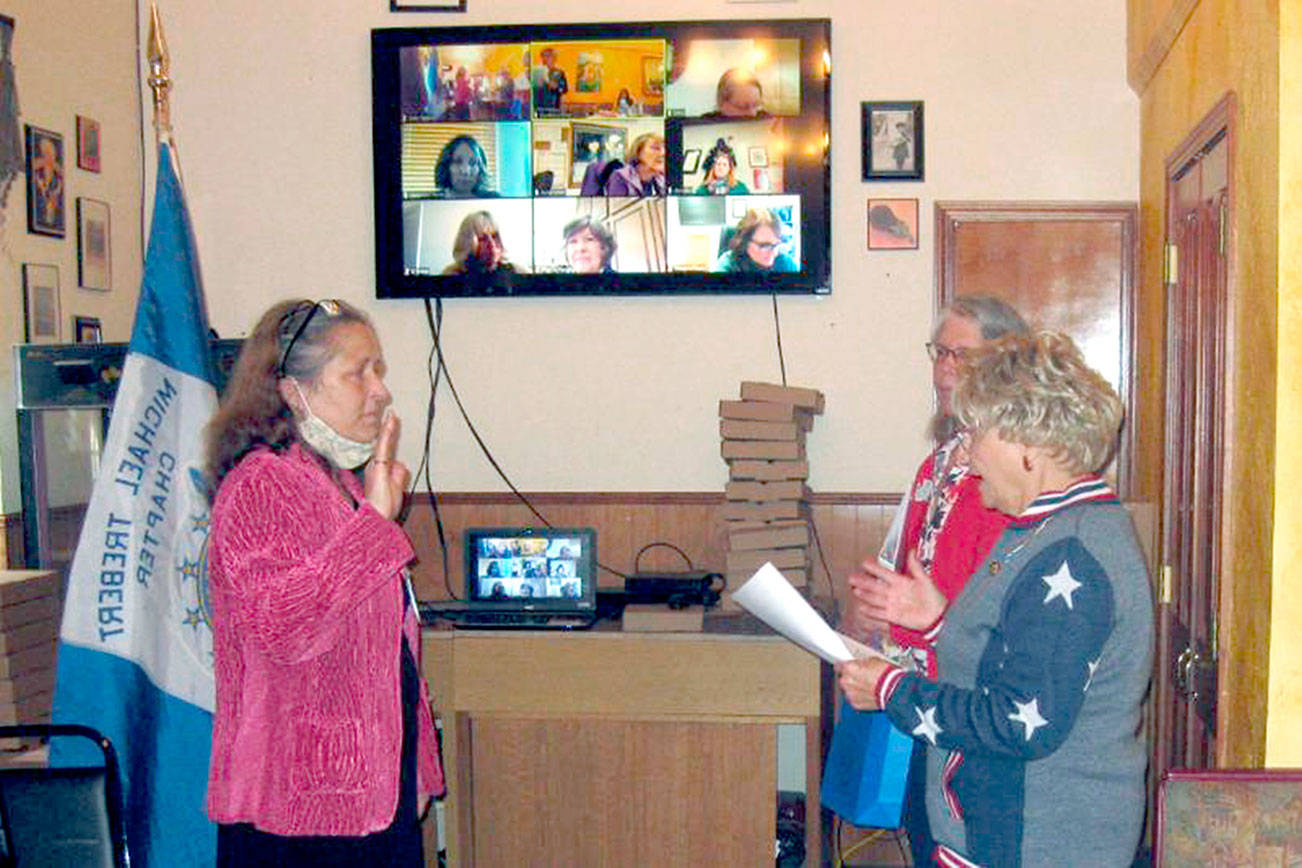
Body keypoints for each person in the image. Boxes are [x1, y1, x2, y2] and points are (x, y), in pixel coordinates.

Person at [837, 331, 1152, 868]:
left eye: (976, 432)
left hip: (1037, 846)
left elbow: (1021, 720)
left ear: (1027, 444)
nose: (969, 454)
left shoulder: (1071, 552)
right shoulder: (1043, 531)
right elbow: (1019, 659)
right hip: (1004, 838)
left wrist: (891, 689)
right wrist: (938, 623)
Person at [204, 299, 443, 866]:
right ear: (293, 391)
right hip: (300, 812)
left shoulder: (337, 482)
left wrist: (416, 767)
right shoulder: (261, 484)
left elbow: (384, 654)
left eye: (377, 370)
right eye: (357, 372)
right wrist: (377, 525)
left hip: (369, 796)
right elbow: (284, 629)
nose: (379, 391)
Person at [846, 295, 1028, 865]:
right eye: (939, 353)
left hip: (973, 704)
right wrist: (871, 609)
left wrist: (925, 613)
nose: (946, 368)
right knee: (927, 843)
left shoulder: (1012, 469)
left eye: (962, 355)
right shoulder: (939, 461)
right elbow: (903, 562)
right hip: (915, 696)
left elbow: (1003, 599)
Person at [713, 208, 796, 273]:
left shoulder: (786, 263)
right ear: (745, 242)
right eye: (764, 246)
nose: (773, 253)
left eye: (776, 245)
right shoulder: (727, 265)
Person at [442, 210, 515, 276]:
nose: (491, 244)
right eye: (483, 238)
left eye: (494, 236)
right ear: (467, 243)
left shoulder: (516, 271)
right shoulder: (451, 275)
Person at [603, 132, 666, 197]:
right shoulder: (620, 177)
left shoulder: (661, 179)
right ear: (638, 153)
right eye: (655, 148)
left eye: (664, 148)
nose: (663, 153)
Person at [702, 68, 767, 118]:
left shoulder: (767, 122)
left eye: (756, 105)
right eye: (743, 107)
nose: (753, 114)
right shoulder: (702, 128)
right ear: (721, 103)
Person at [533, 47, 567, 116]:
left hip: (553, 108)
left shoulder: (559, 73)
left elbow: (563, 90)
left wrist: (548, 82)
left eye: (548, 56)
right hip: (538, 108)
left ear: (554, 58)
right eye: (543, 56)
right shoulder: (537, 71)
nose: (545, 59)